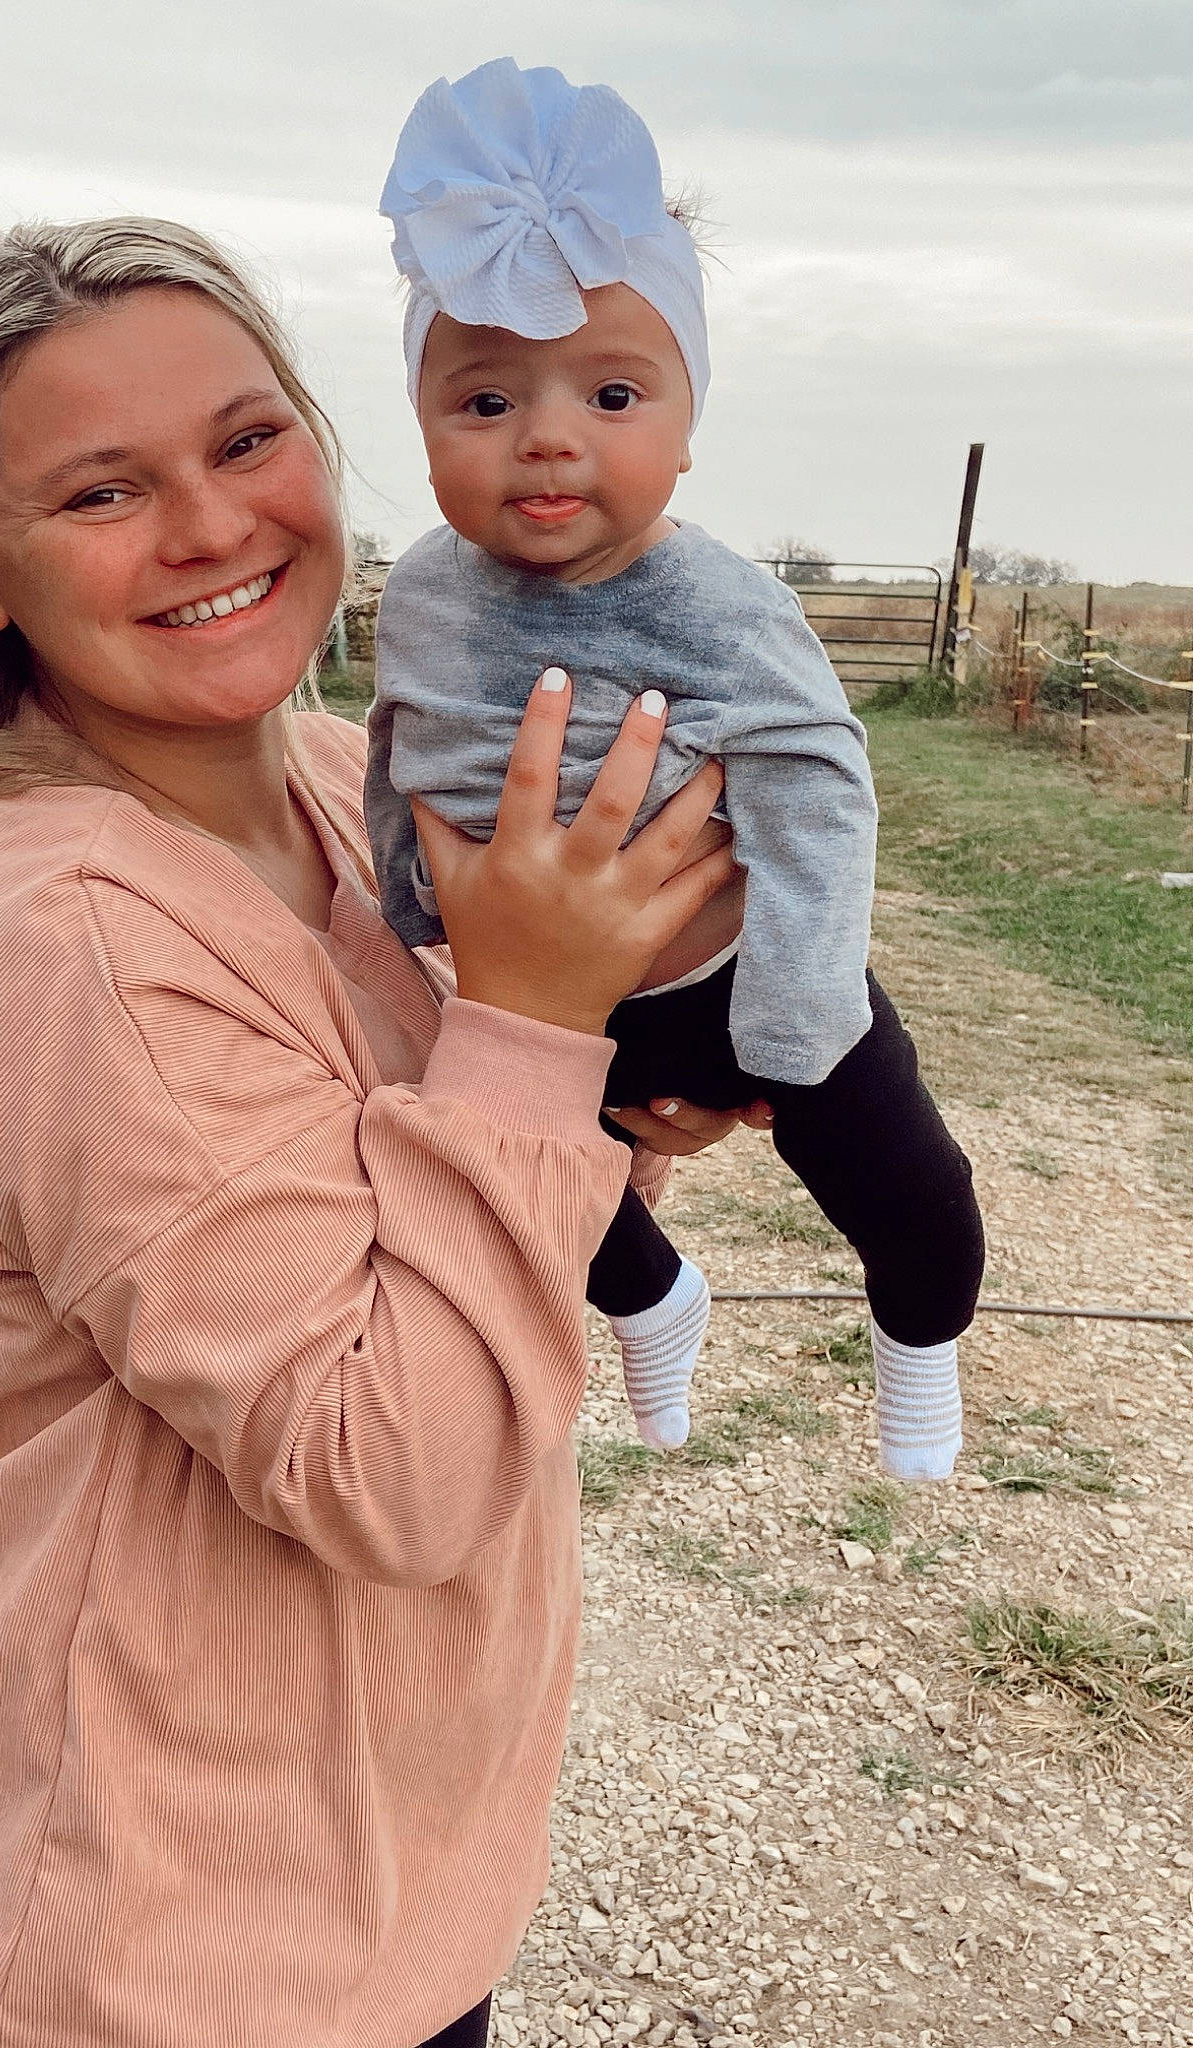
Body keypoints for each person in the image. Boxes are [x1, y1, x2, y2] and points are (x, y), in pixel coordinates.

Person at [0, 216, 743, 2048]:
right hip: (148, 1952)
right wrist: (534, 1020)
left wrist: (613, 1102)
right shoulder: (82, 942)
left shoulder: (339, 786)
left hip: (351, 1878)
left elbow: (439, 1192)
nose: (214, 528)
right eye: (100, 492)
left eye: (244, 442)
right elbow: (397, 1470)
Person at [366, 58, 985, 1476]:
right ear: (424, 421)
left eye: (615, 390)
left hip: (749, 980)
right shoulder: (420, 592)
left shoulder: (720, 605)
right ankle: (659, 1311)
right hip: (546, 994)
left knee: (908, 1190)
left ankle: (920, 1354)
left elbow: (819, 777)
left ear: (689, 427)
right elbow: (400, 742)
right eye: (483, 401)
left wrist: (799, 1003)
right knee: (553, 1200)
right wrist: (409, 902)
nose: (548, 435)